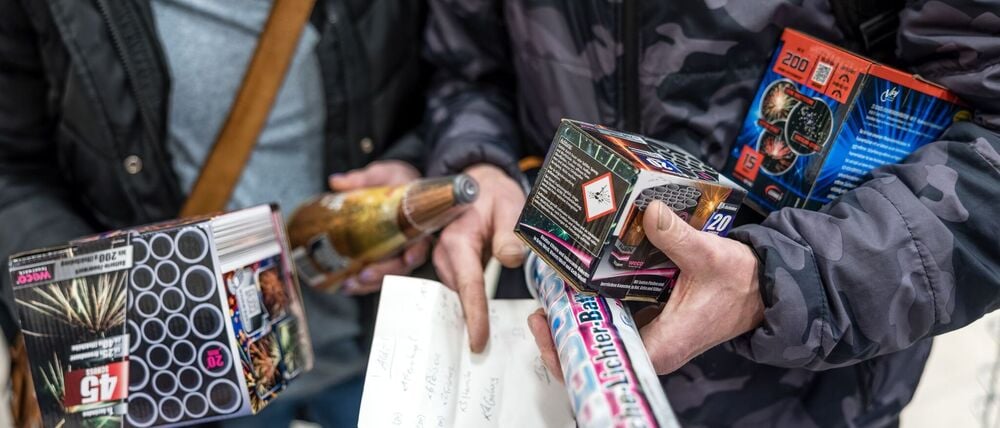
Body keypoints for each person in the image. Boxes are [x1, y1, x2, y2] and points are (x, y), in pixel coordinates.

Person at [424, 0, 1000, 425]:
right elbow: (467, 67)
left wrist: (776, 282)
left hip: (803, 397)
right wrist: (480, 167)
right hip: (556, 377)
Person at [0, 0, 428, 426]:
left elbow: (465, 77)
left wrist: (417, 175)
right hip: (183, 383)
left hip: (384, 348)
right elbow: (13, 168)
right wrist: (92, 305)